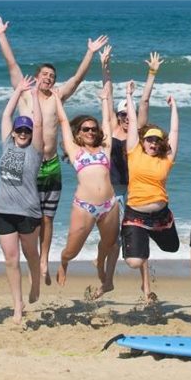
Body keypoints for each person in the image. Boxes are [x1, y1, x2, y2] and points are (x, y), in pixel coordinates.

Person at [0, 15, 108, 285]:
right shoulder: (25, 93)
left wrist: (89, 53)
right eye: (45, 75)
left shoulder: (57, 97)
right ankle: (29, 260)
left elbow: (77, 79)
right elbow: (11, 63)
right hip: (26, 165)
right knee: (27, 215)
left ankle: (43, 261)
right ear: (37, 77)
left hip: (50, 163)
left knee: (47, 217)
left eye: (52, 77)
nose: (48, 79)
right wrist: (1, 35)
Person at [94, 47, 162, 298]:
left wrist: (151, 73)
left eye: (127, 114)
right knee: (112, 240)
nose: (125, 118)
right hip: (110, 193)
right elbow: (108, 93)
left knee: (137, 234)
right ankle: (107, 281)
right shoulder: (110, 129)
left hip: (133, 192)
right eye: (121, 114)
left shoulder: (138, 133)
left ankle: (146, 288)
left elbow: (143, 102)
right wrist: (105, 66)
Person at [53, 85, 120, 290]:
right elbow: (63, 121)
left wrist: (104, 100)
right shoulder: (75, 151)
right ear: (79, 134)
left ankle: (100, 263)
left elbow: (108, 122)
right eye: (86, 129)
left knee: (109, 244)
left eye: (93, 129)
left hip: (109, 205)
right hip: (84, 207)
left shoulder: (105, 148)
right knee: (72, 251)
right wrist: (57, 99)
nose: (91, 132)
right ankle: (63, 263)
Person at [121, 80, 180, 302]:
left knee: (172, 248)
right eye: (149, 140)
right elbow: (134, 120)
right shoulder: (134, 152)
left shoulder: (166, 158)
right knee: (134, 261)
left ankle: (148, 234)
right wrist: (129, 96)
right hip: (135, 215)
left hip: (161, 217)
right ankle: (138, 236)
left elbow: (174, 131)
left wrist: (174, 107)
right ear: (143, 141)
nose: (153, 144)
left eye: (157, 141)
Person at [0, 76, 43, 324]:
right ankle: (17, 305)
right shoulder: (6, 145)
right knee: (11, 259)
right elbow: (5, 116)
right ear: (14, 133)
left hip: (28, 211)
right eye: (20, 130)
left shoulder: (35, 152)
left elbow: (40, 125)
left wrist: (34, 96)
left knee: (30, 253)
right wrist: (19, 91)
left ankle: (35, 283)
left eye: (27, 130)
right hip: (3, 210)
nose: (23, 133)